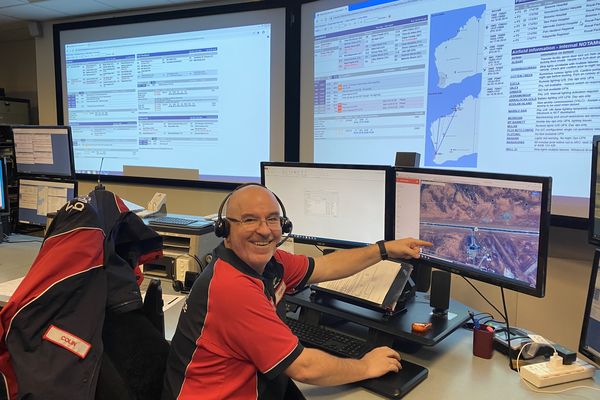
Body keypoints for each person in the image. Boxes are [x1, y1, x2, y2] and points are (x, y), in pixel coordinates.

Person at [162, 184, 432, 400]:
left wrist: (384, 250)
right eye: (249, 220)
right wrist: (366, 366)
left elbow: (326, 266)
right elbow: (304, 367)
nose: (264, 230)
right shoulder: (232, 287)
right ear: (225, 229)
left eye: (272, 219)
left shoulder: (270, 262)